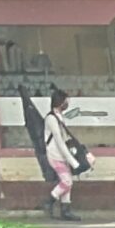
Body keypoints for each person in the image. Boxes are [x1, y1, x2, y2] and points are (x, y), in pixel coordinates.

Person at [42, 89, 81, 219]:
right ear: (60, 102)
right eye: (66, 101)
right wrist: (73, 162)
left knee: (68, 181)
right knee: (67, 181)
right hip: (55, 155)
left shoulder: (59, 116)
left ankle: (66, 210)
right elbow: (59, 141)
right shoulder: (51, 118)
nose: (67, 103)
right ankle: (49, 201)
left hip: (62, 155)